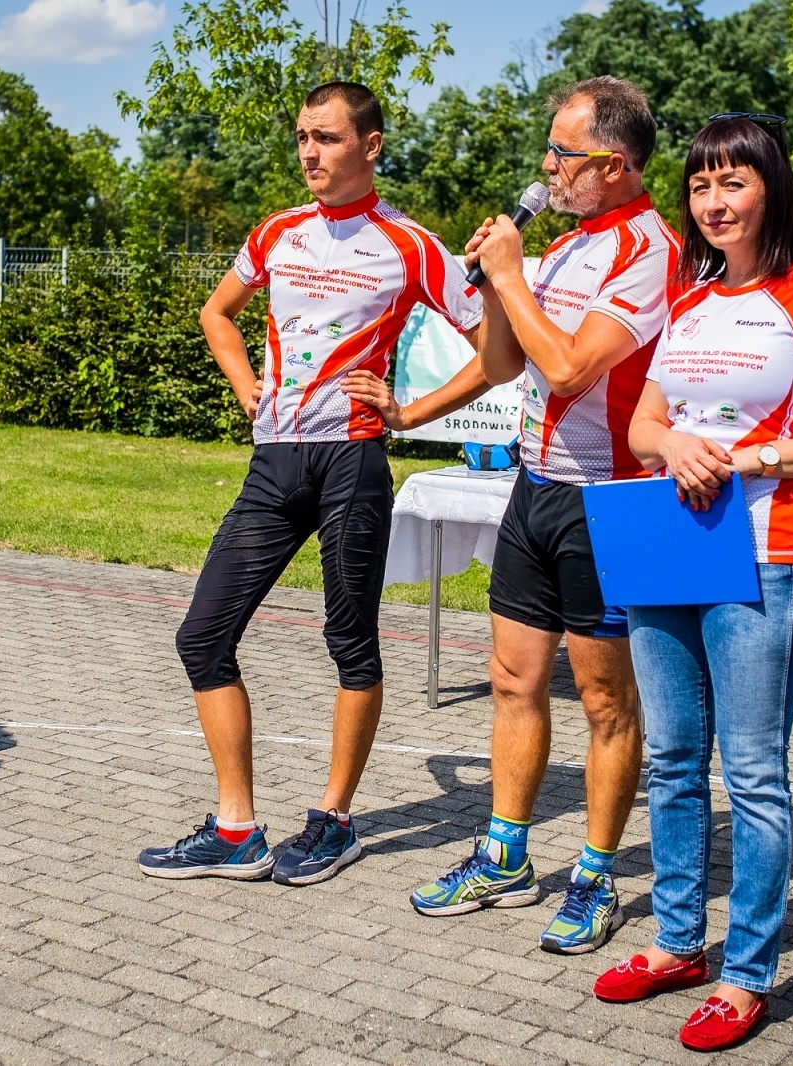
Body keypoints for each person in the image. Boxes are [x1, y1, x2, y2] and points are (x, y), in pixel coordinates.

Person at [138, 81, 504, 887]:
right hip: (277, 461)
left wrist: (411, 411)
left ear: (369, 146)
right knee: (202, 635)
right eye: (302, 136)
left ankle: (335, 822)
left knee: (350, 643)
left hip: (352, 464)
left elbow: (498, 353)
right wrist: (245, 389)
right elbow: (217, 313)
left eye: (327, 138)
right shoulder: (276, 233)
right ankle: (237, 830)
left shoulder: (412, 245)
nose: (309, 151)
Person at [585, 113, 793, 1050]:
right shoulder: (686, 304)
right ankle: (679, 942)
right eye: (702, 185)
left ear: (771, 190)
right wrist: (673, 441)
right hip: (668, 546)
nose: (715, 203)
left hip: (765, 549)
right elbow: (640, 427)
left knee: (753, 772)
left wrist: (760, 458)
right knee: (675, 761)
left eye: (735, 183)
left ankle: (748, 974)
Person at [409, 76, 678, 955]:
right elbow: (501, 362)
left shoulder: (649, 250)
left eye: (562, 152)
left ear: (614, 162)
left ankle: (596, 876)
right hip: (535, 487)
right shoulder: (560, 250)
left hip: (612, 501)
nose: (546, 165)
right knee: (513, 680)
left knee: (606, 699)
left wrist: (514, 273)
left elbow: (569, 370)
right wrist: (494, 286)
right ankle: (505, 856)